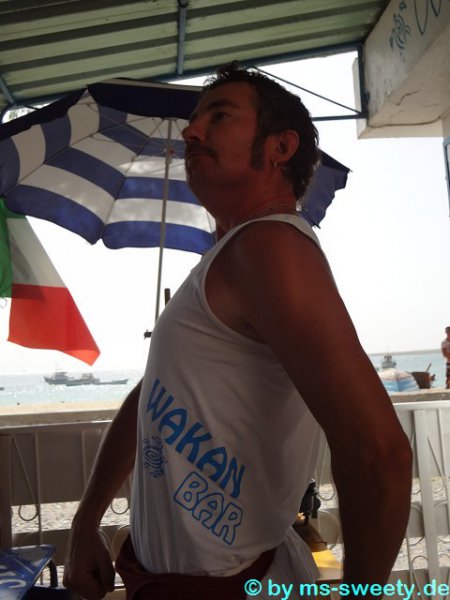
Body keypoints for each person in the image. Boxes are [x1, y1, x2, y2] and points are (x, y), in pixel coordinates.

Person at [63, 63, 412, 600]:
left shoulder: (270, 248)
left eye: (219, 116)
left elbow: (378, 453)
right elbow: (151, 396)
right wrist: (86, 520)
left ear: (280, 147)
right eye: (195, 120)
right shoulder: (228, 258)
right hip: (169, 582)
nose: (191, 131)